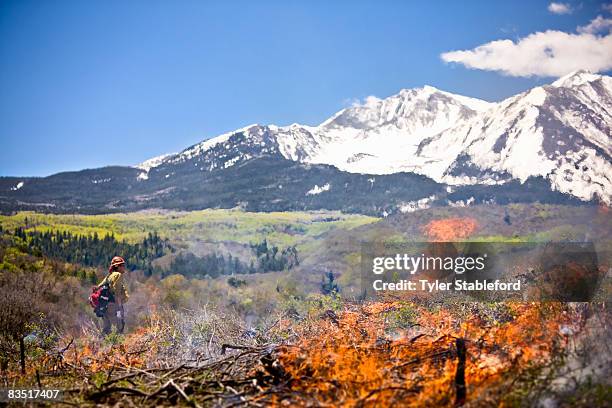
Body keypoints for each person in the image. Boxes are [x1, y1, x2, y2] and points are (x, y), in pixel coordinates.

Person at [98, 256, 129, 335]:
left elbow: (99, 286)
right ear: (117, 266)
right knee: (118, 327)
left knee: (107, 327)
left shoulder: (109, 276)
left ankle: (101, 345)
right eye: (122, 265)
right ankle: (117, 346)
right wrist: (119, 304)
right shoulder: (118, 275)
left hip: (105, 305)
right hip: (114, 304)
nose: (124, 267)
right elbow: (117, 290)